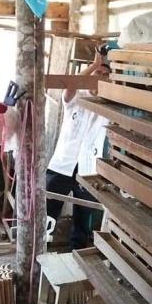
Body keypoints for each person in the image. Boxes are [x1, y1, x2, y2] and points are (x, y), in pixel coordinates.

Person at [46, 51, 109, 250]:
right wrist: (94, 65)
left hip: (87, 169)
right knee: (48, 209)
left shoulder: (109, 107)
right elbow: (71, 83)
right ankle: (40, 246)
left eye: (105, 74)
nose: (100, 77)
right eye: (97, 73)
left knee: (83, 214)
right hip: (62, 164)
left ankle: (76, 252)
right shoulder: (75, 97)